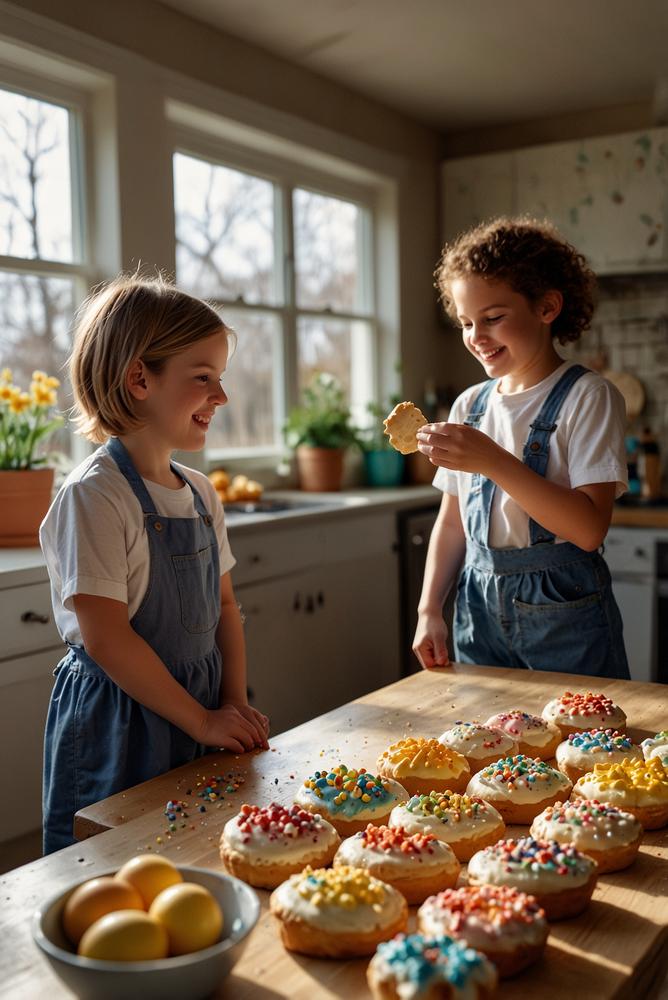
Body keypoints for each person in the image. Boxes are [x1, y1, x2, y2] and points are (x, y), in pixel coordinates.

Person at [40, 275, 269, 854]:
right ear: (139, 379)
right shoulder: (95, 496)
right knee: (112, 869)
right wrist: (202, 720)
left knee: (192, 858)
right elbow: (108, 640)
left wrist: (232, 704)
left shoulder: (200, 492)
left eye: (220, 378)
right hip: (120, 726)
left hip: (198, 711)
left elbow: (225, 607)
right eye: (203, 378)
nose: (221, 397)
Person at [413, 217, 630, 680]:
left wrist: (492, 460)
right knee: (487, 723)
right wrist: (429, 608)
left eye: (493, 318)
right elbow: (452, 523)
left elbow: (588, 529)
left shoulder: (589, 397)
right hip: (477, 606)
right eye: (466, 323)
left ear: (547, 307)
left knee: (579, 723)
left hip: (563, 608)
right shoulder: (468, 406)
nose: (476, 337)